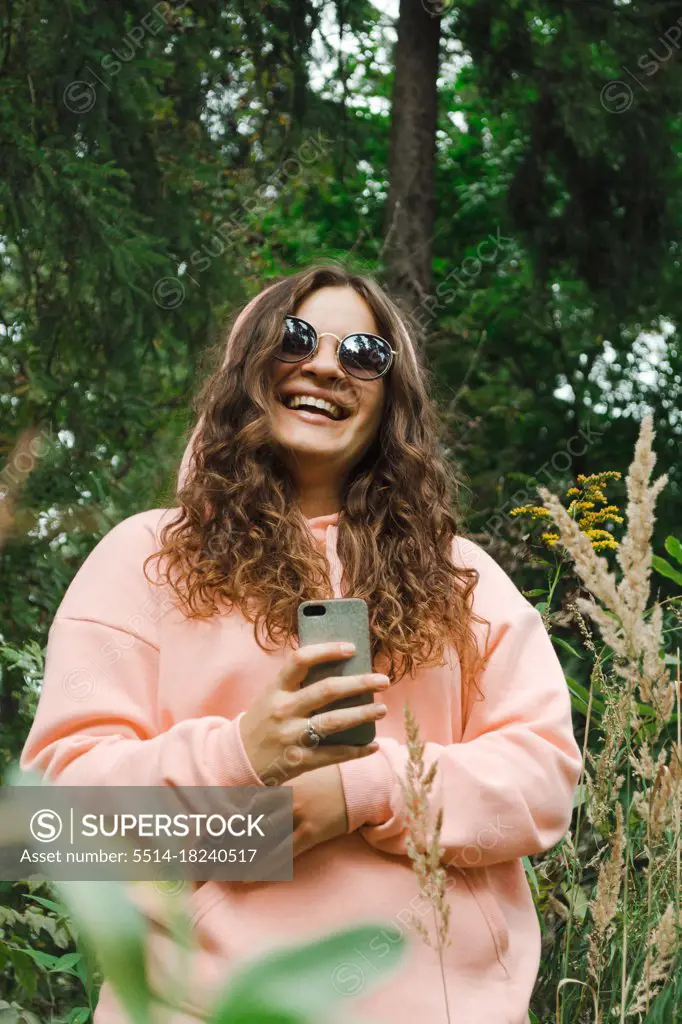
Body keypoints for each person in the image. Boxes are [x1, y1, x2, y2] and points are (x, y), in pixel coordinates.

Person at [20, 263, 582, 1024]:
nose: (325, 363)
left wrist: (361, 793)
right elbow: (63, 827)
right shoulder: (145, 560)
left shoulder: (465, 581)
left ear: (390, 402)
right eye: (295, 338)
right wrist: (244, 766)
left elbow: (544, 780)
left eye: (363, 354)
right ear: (246, 368)